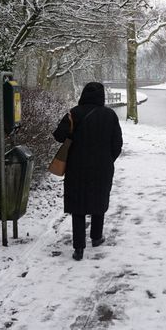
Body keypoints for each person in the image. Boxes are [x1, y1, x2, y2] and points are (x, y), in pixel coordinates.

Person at [52, 82, 123, 261]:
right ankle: (96, 237)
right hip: (102, 167)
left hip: (77, 166)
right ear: (101, 97)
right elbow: (117, 144)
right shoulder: (110, 115)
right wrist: (107, 160)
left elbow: (58, 136)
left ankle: (78, 248)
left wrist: (71, 134)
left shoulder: (74, 113)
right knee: (98, 200)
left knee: (78, 204)